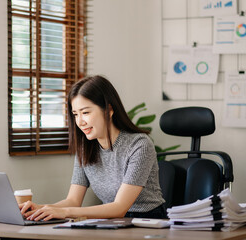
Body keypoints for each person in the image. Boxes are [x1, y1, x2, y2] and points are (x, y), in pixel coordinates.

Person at [19, 75, 166, 221]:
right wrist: (40, 209)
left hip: (146, 221)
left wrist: (65, 212)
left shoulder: (139, 145)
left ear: (108, 110)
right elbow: (73, 201)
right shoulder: (85, 148)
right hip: (111, 221)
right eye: (75, 114)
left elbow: (120, 207)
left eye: (85, 112)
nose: (80, 122)